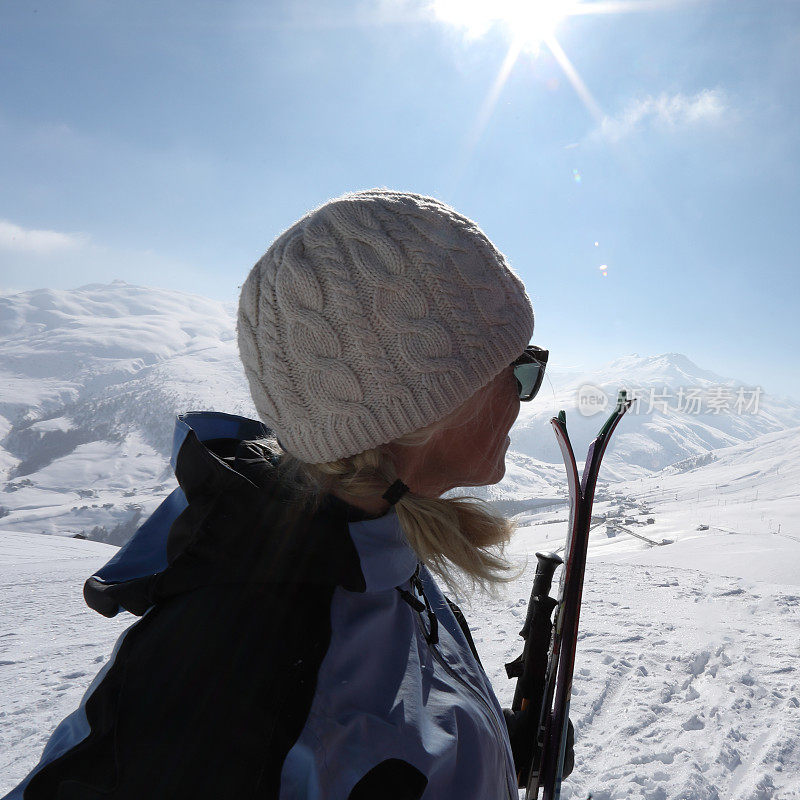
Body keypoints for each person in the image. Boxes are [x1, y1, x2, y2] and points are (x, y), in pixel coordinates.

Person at [4, 189, 567, 799]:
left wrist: (499, 747)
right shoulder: (224, 680)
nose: (524, 394)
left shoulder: (373, 539)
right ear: (421, 407)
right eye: (519, 368)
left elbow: (385, 722)